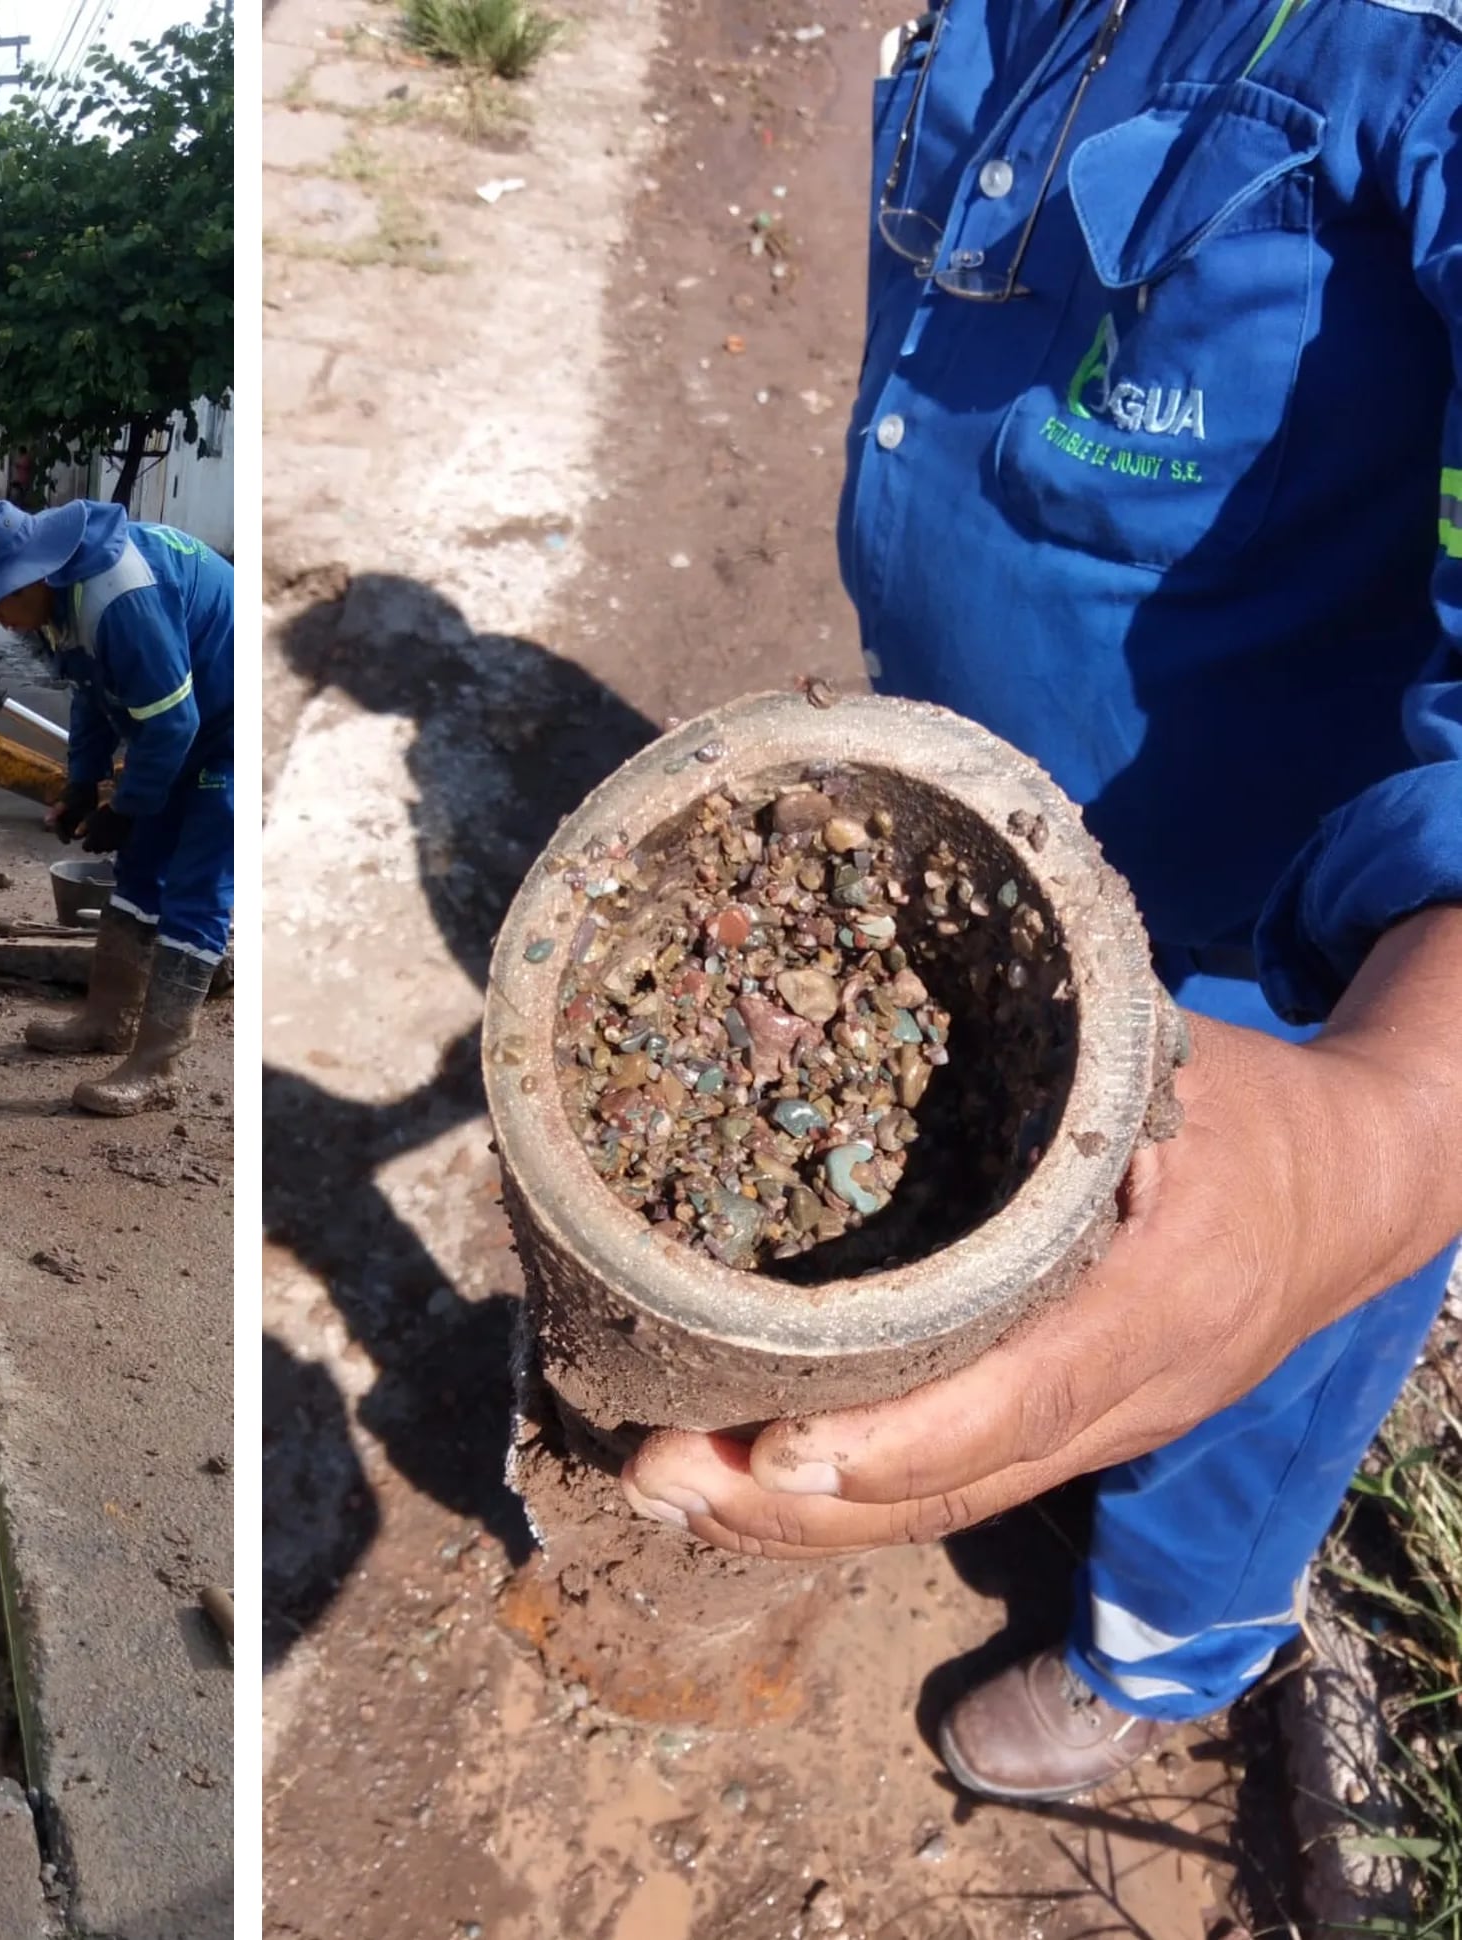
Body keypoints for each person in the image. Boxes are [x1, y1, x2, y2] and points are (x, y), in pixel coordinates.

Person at [615, 0, 1462, 1805]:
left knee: (1245, 1344)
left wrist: (1382, 1135)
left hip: (1266, 962)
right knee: (992, 1206)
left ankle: (1156, 1653)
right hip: (999, 844)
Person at [0, 497, 234, 1117]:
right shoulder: (62, 603)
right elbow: (93, 693)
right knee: (137, 870)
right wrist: (84, 782)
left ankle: (159, 1066)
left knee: (194, 886)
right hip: (183, 727)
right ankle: (108, 1019)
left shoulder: (120, 598)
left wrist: (126, 808)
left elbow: (173, 722)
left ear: (35, 575)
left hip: (231, 728)